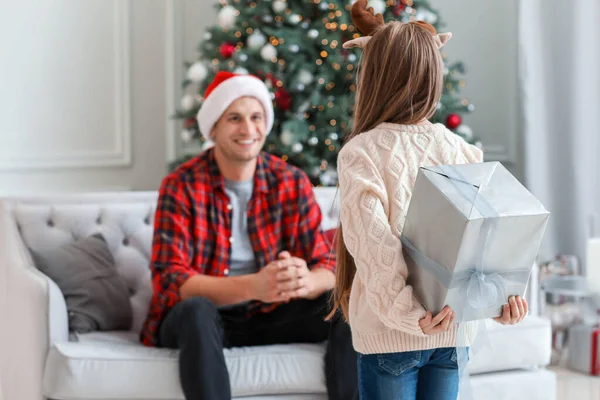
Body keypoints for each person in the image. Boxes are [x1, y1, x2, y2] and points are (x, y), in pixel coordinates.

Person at [328, 1, 528, 399]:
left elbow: (374, 249)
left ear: (373, 77)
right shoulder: (462, 149)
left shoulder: (361, 153)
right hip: (451, 333)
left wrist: (413, 317)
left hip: (395, 337)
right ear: (433, 76)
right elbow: (489, 243)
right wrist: (503, 301)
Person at [140, 71, 357, 400]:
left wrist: (305, 281)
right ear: (213, 128)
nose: (247, 129)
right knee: (197, 311)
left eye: (256, 117)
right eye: (234, 118)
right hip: (208, 318)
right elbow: (171, 281)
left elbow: (326, 262)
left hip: (272, 314)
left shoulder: (289, 181)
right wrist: (255, 285)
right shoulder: (181, 185)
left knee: (346, 306)